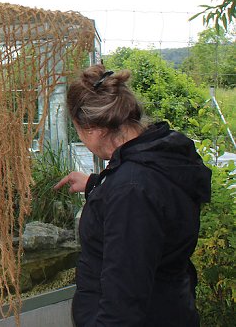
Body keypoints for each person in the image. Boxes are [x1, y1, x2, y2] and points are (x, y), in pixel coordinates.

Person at [54, 64, 211, 327]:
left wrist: (114, 189)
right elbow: (153, 205)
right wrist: (96, 184)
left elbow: (124, 302)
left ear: (94, 129)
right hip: (171, 307)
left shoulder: (131, 190)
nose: (82, 140)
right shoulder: (160, 156)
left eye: (78, 132)